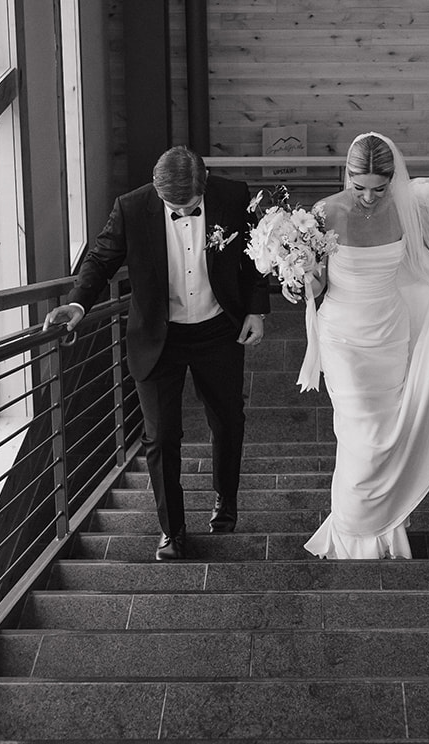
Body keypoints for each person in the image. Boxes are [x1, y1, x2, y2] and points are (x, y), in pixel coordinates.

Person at [44, 146, 269, 562]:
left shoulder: (234, 196)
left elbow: (255, 257)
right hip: (157, 337)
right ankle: (173, 530)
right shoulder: (130, 209)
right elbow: (100, 259)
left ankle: (226, 499)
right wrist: (77, 304)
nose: (183, 210)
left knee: (228, 420)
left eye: (191, 205)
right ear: (156, 190)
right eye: (174, 205)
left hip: (219, 329)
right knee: (161, 436)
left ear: (204, 186)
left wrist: (256, 308)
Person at [298, 131, 429, 560]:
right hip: (344, 335)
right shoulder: (324, 213)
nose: (368, 197)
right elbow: (320, 281)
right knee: (360, 433)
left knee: (386, 433)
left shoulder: (409, 211)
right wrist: (304, 275)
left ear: (393, 180)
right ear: (346, 175)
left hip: (390, 333)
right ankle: (351, 530)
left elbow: (426, 266)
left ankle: (384, 530)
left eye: (379, 189)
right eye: (358, 186)